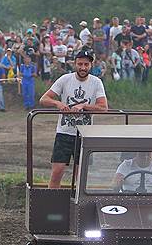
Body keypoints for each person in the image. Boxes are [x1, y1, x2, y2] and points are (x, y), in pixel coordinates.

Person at [39, 49, 108, 188]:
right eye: (80, 64)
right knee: (57, 172)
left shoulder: (96, 82)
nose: (83, 68)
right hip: (64, 132)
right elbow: (44, 99)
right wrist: (57, 103)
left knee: (81, 174)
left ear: (91, 65)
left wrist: (84, 106)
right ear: (75, 64)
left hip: (84, 134)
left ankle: (79, 206)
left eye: (86, 64)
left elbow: (103, 107)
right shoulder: (65, 79)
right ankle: (51, 205)